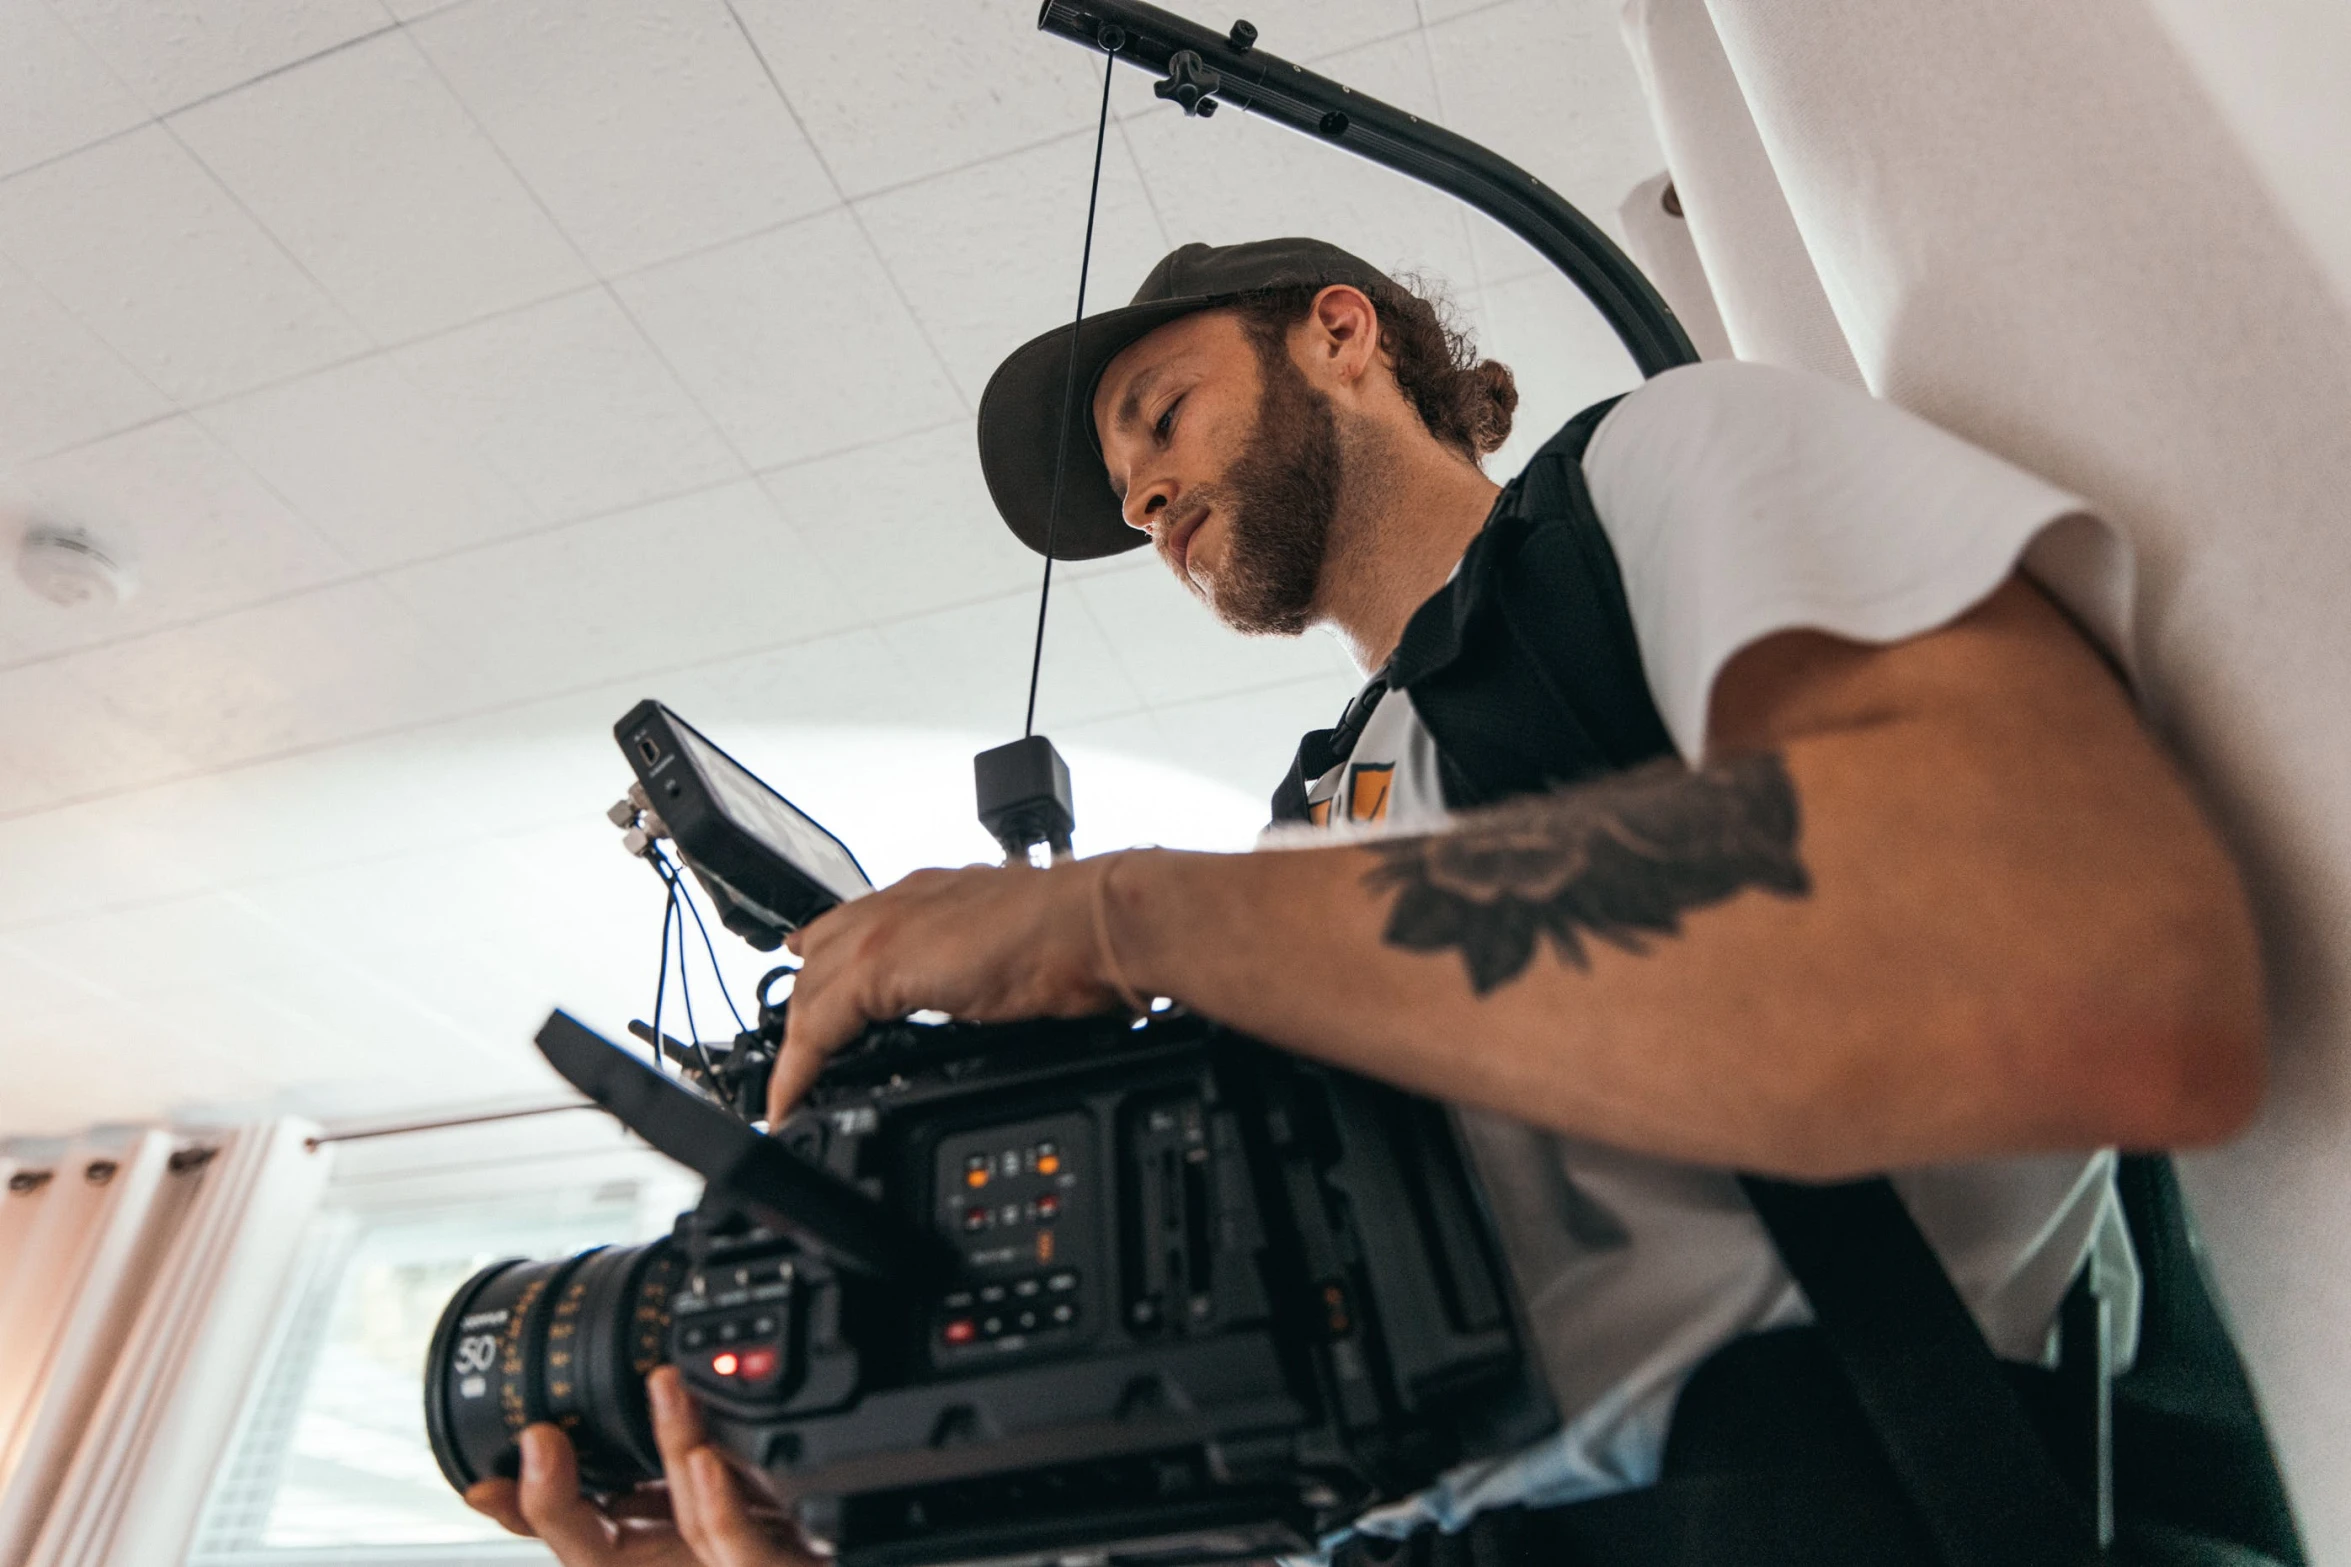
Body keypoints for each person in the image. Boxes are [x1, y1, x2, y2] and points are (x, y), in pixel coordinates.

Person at [476, 238, 2287, 1565]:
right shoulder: (1297, 842)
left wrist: (1123, 914)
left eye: (1156, 413)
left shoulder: (1645, 487)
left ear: (1337, 333)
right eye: (1125, 484)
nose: (1147, 492)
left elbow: (2073, 946)